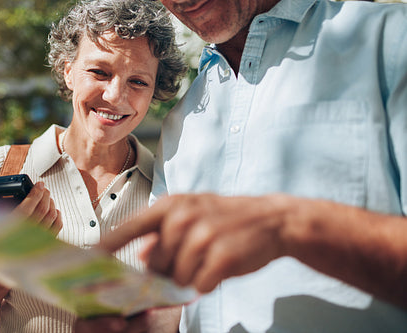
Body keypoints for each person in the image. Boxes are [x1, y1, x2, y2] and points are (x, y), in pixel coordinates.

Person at [100, 0, 407, 332]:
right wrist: (140, 325)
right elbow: (178, 300)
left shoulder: (391, 39)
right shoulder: (182, 119)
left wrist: (288, 226)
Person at [0, 0, 187, 332]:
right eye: (100, 72)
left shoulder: (169, 187)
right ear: (68, 71)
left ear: (154, 90)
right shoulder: (5, 169)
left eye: (138, 81)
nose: (114, 95)